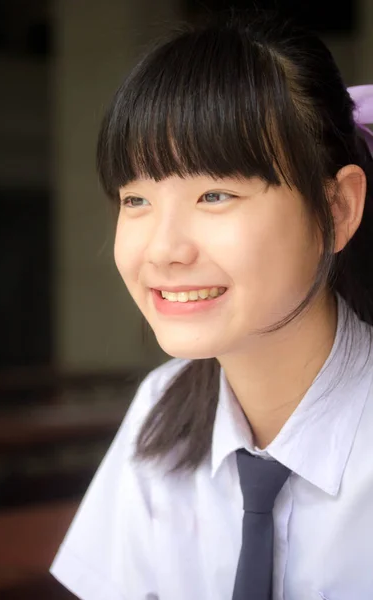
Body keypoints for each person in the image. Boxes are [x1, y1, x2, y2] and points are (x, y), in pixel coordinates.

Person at [50, 9, 373, 600]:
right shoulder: (162, 412)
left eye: (215, 193)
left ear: (337, 209)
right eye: (136, 199)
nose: (165, 250)